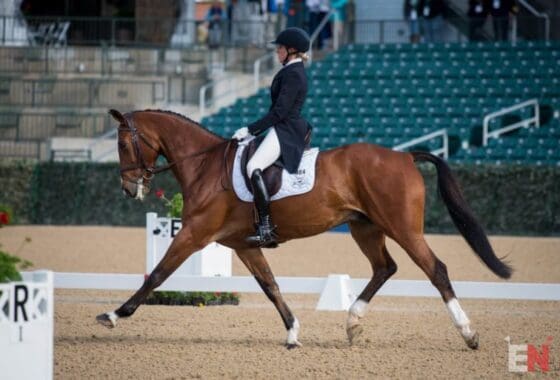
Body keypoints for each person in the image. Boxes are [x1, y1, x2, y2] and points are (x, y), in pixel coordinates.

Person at [232, 27, 311, 248]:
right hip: (282, 126)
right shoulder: (291, 70)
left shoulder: (294, 74)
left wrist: (250, 129)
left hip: (286, 129)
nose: (277, 51)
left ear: (292, 50)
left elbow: (279, 112)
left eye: (280, 48)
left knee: (253, 166)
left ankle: (266, 228)